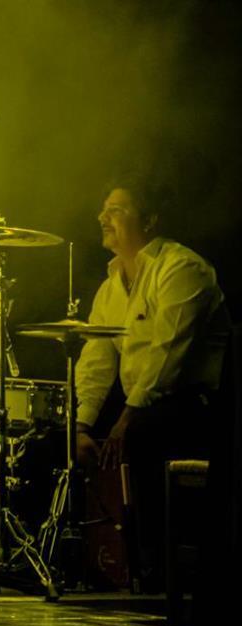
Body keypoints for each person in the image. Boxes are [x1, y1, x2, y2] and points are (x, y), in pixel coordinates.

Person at [74, 171, 229, 590]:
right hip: (143, 404)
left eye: (118, 210)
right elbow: (97, 358)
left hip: (192, 405)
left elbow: (169, 354)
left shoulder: (183, 268)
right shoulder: (110, 287)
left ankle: (157, 571)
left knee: (141, 435)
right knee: (64, 444)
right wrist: (82, 425)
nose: (105, 218)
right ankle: (98, 565)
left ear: (150, 220)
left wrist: (127, 418)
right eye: (104, 211)